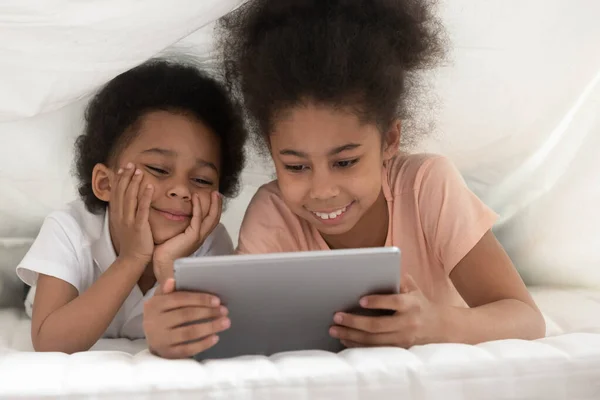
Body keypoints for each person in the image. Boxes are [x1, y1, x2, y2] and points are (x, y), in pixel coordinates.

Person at [219, 0, 546, 351]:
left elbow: (527, 319)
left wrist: (437, 322)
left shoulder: (427, 186)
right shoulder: (274, 214)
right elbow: (233, 330)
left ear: (389, 140)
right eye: (296, 167)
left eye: (345, 162)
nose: (323, 190)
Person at [16, 59, 247, 355]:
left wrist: (168, 268)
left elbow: (213, 335)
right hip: (53, 293)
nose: (181, 189)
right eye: (159, 169)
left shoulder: (211, 242)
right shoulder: (68, 228)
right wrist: (132, 258)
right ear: (105, 183)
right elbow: (49, 343)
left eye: (202, 179)